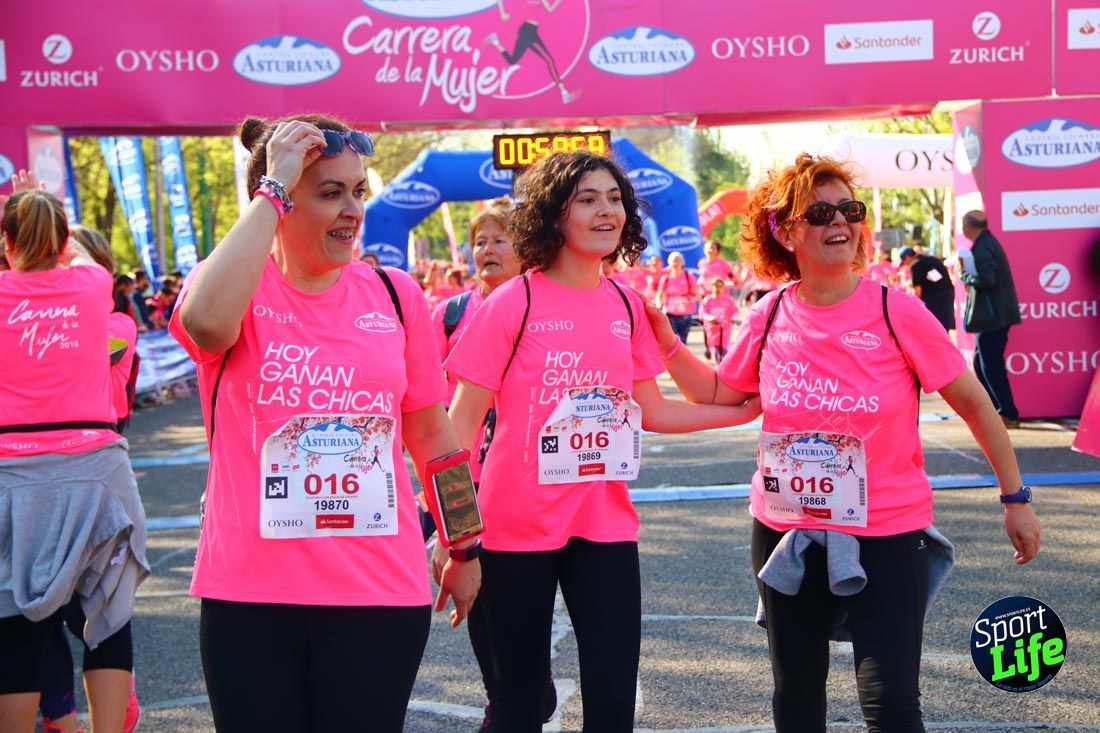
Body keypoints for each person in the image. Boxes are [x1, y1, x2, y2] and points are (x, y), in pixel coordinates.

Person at [646, 154, 1040, 732]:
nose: (841, 221)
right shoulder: (768, 314)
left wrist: (1016, 497)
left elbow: (976, 404)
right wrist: (665, 343)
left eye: (849, 209)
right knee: (797, 694)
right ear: (786, 232)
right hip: (787, 529)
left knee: (890, 704)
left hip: (886, 532)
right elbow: (720, 394)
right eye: (821, 211)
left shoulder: (894, 311)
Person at [169, 114, 480, 733]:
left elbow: (430, 433)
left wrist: (464, 541)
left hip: (376, 591)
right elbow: (204, 325)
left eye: (358, 190)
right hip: (250, 595)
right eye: (329, 192)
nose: (352, 209)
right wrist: (273, 184)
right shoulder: (233, 286)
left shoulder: (395, 295)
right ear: (279, 198)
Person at [444, 150, 760, 732]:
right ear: (552, 216)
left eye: (614, 198)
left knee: (613, 708)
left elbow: (652, 410)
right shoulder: (514, 301)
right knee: (518, 708)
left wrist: (739, 414)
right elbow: (459, 429)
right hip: (514, 533)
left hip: (604, 529)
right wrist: (456, 540)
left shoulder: (625, 304)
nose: (606, 210)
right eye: (587, 199)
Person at [1, 185, 148, 733]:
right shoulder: (90, 284)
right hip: (94, 467)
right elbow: (87, 256)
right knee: (107, 613)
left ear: (6, 242)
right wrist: (60, 240)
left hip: (12, 470)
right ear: (65, 240)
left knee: (14, 622)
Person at [961, 211, 1022, 429]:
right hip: (995, 315)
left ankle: (1007, 412)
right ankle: (997, 409)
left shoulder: (983, 246)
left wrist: (965, 275)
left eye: (962, 226)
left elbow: (987, 279)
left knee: (990, 364)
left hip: (993, 316)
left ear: (968, 227)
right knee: (982, 362)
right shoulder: (988, 242)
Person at [898, 246, 955, 333]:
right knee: (943, 331)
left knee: (934, 331)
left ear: (907, 257)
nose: (905, 264)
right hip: (948, 295)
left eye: (904, 262)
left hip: (933, 300)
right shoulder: (931, 258)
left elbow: (917, 292)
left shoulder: (915, 265)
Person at [656, 251, 696, 345]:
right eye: (673, 261)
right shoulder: (666, 278)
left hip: (685, 313)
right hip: (670, 313)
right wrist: (659, 305)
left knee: (683, 340)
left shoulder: (688, 276)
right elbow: (659, 295)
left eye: (678, 261)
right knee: (673, 338)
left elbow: (698, 294)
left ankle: (682, 359)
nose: (676, 263)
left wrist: (692, 299)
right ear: (669, 263)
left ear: (682, 263)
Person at [699, 277, 737, 364]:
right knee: (715, 349)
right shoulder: (708, 300)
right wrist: (710, 318)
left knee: (724, 349)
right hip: (712, 329)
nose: (717, 289)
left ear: (723, 288)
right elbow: (702, 313)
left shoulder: (728, 300)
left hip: (725, 329)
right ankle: (718, 368)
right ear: (711, 287)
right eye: (715, 286)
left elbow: (735, 311)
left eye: (720, 286)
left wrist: (733, 318)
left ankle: (724, 367)